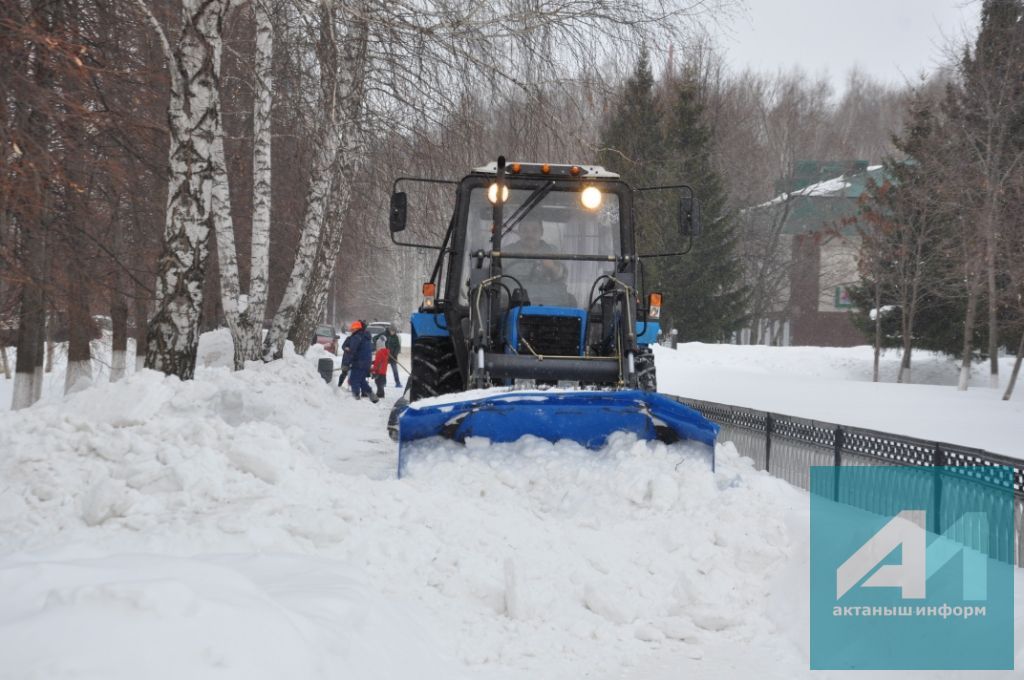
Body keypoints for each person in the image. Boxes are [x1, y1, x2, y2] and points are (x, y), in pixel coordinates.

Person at [502, 218, 572, 305]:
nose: (530, 235)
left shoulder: (553, 251)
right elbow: (495, 277)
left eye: (535, 230)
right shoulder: (506, 253)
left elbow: (563, 277)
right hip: (512, 303)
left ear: (541, 232)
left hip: (550, 303)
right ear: (519, 232)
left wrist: (552, 267)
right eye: (525, 230)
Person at [346, 320, 378, 402]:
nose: (352, 331)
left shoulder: (357, 337)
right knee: (361, 380)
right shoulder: (365, 336)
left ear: (357, 329)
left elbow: (352, 351)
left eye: (353, 329)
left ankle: (355, 398)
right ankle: (373, 396)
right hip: (366, 362)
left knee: (354, 380)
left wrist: (347, 363)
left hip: (359, 362)